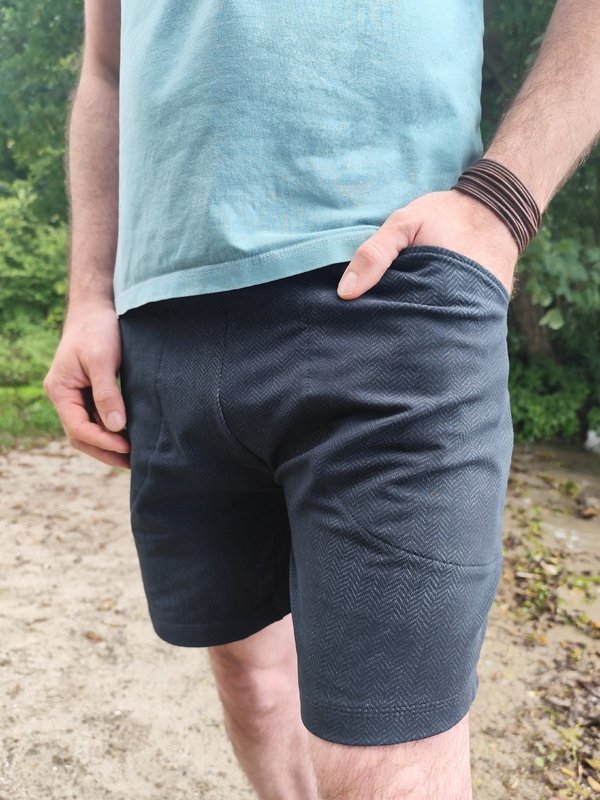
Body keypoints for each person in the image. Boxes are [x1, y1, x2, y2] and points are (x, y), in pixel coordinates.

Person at [44, 0, 600, 797]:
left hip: (388, 292)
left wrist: (503, 201)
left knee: (389, 764)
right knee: (251, 682)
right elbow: (106, 69)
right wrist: (90, 296)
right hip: (162, 326)